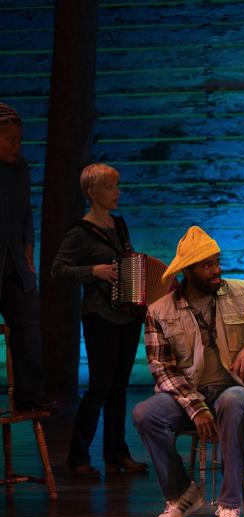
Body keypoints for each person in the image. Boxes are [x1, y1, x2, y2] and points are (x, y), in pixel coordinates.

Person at [132, 226, 244, 517]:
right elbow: (163, 369)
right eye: (207, 265)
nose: (216, 270)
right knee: (145, 414)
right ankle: (182, 494)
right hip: (189, 394)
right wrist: (196, 406)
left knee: (232, 402)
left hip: (237, 388)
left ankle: (230, 505)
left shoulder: (243, 291)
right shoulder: (160, 310)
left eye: (217, 262)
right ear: (188, 271)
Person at [52, 163, 147, 479]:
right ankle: (78, 456)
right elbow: (59, 269)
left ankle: (116, 453)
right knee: (99, 387)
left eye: (117, 185)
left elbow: (127, 260)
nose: (117, 192)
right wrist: (92, 271)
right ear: (93, 192)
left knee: (119, 387)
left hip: (125, 314)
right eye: (110, 186)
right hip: (99, 315)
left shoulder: (118, 226)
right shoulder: (79, 233)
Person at [0, 103, 45, 410]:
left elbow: (26, 212)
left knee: (29, 326)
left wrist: (29, 246)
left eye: (19, 140)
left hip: (14, 261)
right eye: (11, 140)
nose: (17, 146)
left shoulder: (20, 170)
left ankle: (30, 395)